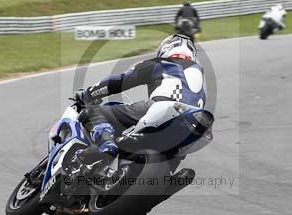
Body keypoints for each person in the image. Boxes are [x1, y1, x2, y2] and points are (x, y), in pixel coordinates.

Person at [73, 34, 206, 164]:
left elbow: (120, 81)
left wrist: (88, 94)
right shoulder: (200, 81)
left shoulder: (163, 64)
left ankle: (105, 143)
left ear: (166, 49)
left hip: (162, 109)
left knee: (91, 113)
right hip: (189, 128)